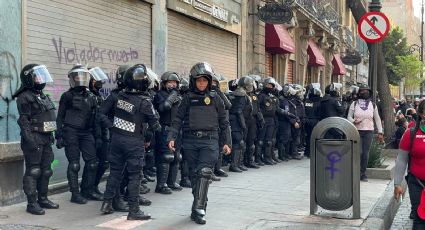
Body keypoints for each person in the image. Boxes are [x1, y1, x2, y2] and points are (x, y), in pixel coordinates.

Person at [167, 62, 231, 225]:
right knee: (196, 176)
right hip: (190, 142)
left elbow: (224, 122)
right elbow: (177, 119)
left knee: (204, 172)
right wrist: (171, 137)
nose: (201, 83)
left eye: (204, 80)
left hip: (210, 141)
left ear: (209, 81)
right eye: (198, 80)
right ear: (193, 81)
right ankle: (197, 206)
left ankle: (199, 208)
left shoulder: (216, 98)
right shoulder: (187, 98)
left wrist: (227, 142)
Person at [100, 64, 160, 220]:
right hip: (134, 142)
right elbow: (155, 125)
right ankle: (134, 210)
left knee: (114, 173)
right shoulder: (145, 101)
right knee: (135, 176)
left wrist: (112, 127)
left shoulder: (116, 96)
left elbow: (101, 114)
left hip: (116, 140)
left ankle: (106, 203)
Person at [13, 64, 59, 215]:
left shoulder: (43, 96)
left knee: (46, 171)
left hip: (46, 138)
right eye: (37, 76)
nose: (41, 79)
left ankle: (43, 199)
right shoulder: (24, 97)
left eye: (41, 75)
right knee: (34, 171)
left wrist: (52, 135)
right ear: (28, 79)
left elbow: (48, 117)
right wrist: (31, 141)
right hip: (34, 138)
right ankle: (31, 204)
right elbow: (24, 121)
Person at [56, 64, 100, 204]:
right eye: (77, 76)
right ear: (72, 79)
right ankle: (75, 194)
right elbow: (60, 117)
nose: (80, 79)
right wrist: (59, 135)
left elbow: (96, 118)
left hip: (87, 132)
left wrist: (98, 136)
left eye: (83, 76)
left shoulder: (92, 96)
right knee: (74, 164)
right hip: (71, 131)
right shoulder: (67, 96)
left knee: (92, 163)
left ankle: (87, 190)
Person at [394, 100, 425, 229]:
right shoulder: (410, 133)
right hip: (417, 183)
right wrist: (397, 184)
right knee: (419, 219)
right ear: (422, 114)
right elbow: (401, 159)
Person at [153, 71, 183, 194]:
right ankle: (161, 185)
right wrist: (172, 96)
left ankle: (171, 182)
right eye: (170, 82)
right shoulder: (160, 95)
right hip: (165, 129)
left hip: (177, 129)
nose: (173, 85)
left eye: (175, 82)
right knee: (166, 157)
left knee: (177, 157)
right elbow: (163, 107)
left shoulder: (180, 96)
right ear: (164, 83)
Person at [347, 84, 384, 182]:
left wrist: (380, 132)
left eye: (366, 91)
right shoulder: (354, 104)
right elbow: (348, 117)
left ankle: (363, 173)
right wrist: (353, 121)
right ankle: (355, 171)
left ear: (370, 92)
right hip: (356, 131)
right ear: (359, 93)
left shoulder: (373, 105)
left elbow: (377, 119)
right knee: (358, 152)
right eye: (362, 91)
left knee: (365, 153)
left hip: (369, 131)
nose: (364, 93)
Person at [87, 67, 109, 199]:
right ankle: (88, 189)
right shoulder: (86, 95)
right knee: (92, 163)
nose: (98, 82)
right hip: (91, 133)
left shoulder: (100, 95)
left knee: (104, 162)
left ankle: (94, 185)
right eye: (94, 79)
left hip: (102, 133)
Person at [228, 76, 254, 172]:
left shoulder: (239, 93)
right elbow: (239, 111)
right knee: (238, 143)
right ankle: (234, 165)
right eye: (249, 84)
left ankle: (239, 163)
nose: (250, 86)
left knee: (240, 143)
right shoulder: (241, 95)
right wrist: (243, 124)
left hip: (237, 120)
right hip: (236, 121)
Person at [257, 77, 279, 165]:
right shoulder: (260, 96)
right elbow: (257, 108)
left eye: (271, 85)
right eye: (268, 85)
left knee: (269, 141)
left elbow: (275, 108)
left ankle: (267, 157)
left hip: (271, 120)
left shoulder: (272, 96)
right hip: (263, 119)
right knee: (260, 140)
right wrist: (260, 119)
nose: (269, 87)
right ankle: (258, 158)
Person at [303, 83, 322, 158]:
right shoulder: (320, 101)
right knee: (316, 137)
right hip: (316, 121)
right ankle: (314, 152)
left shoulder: (307, 101)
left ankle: (308, 152)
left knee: (308, 137)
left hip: (308, 121)